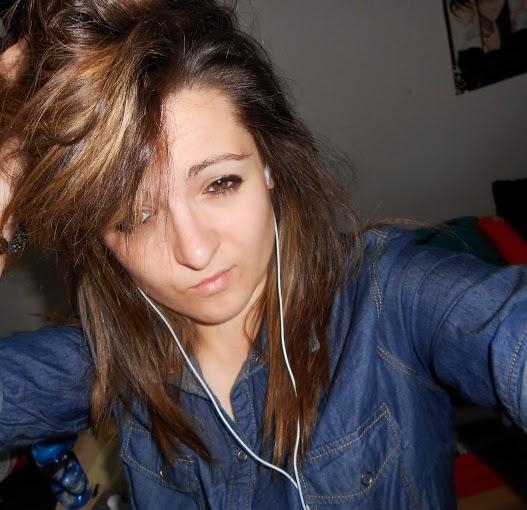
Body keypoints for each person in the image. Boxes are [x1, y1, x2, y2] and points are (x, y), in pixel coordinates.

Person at [1, 1, 527, 509]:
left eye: (220, 183)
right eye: (134, 216)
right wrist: (9, 167)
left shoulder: (389, 300)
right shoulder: (109, 357)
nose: (195, 250)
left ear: (269, 165)